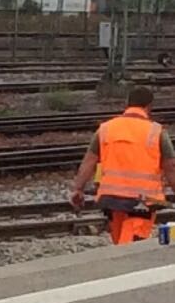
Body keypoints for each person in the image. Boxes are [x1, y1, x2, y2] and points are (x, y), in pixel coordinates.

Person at [69, 85, 175, 244]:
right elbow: (171, 167)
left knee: (121, 243)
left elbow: (89, 161)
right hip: (143, 201)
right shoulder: (156, 132)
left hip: (111, 199)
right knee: (130, 247)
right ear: (149, 106)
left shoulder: (106, 129)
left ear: (127, 104)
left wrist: (78, 189)